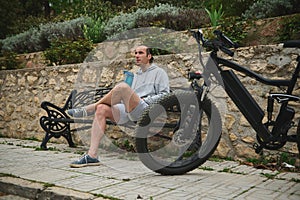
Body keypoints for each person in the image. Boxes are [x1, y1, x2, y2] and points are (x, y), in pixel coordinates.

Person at [67, 45, 170, 168]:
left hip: (146, 109)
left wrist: (143, 99)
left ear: (149, 56)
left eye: (140, 53)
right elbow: (128, 95)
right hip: (129, 110)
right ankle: (92, 156)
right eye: (136, 53)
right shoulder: (135, 75)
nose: (137, 55)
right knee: (101, 109)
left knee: (122, 87)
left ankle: (89, 108)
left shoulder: (159, 72)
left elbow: (165, 95)